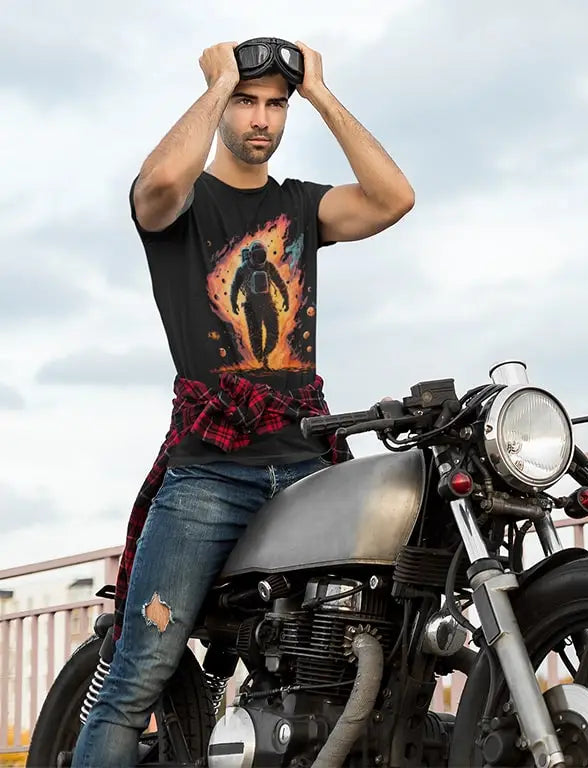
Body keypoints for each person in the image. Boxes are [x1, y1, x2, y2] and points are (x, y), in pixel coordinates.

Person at [71, 39, 415, 766]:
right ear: (224, 103)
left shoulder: (299, 206)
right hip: (209, 474)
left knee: (349, 657)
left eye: (274, 104)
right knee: (141, 672)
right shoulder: (183, 205)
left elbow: (394, 198)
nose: (261, 119)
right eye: (247, 101)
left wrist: (319, 92)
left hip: (303, 463)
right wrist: (219, 78)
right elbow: (158, 179)